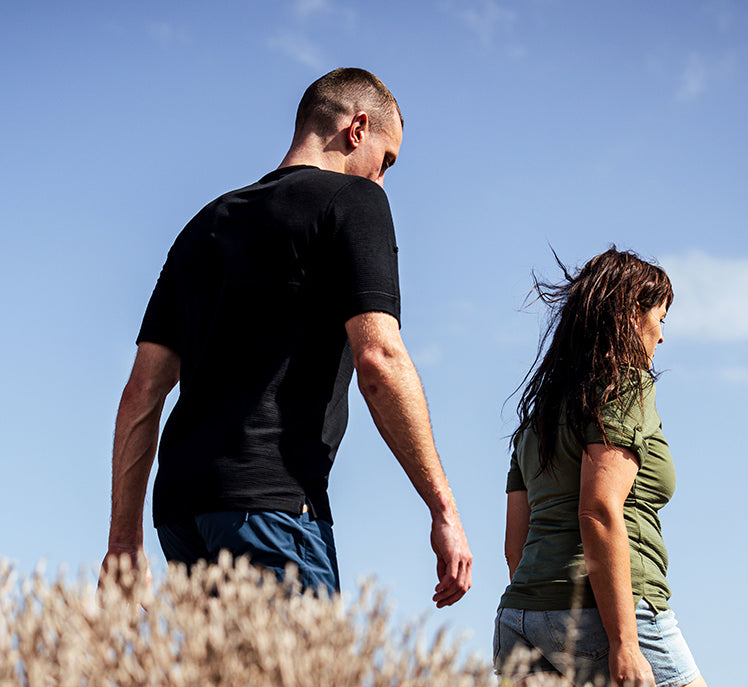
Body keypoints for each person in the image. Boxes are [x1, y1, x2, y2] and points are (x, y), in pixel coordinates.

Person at [102, 68, 472, 607]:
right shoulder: (354, 200)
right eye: (387, 160)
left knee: (222, 668)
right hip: (273, 509)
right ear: (358, 128)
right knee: (303, 667)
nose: (382, 179)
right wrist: (443, 509)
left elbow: (141, 393)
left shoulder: (204, 225)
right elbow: (379, 359)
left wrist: (123, 542)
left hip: (182, 518)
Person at [494, 248, 721, 687]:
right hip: (609, 611)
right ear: (632, 316)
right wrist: (624, 642)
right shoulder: (625, 388)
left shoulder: (535, 421)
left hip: (523, 616)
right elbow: (598, 509)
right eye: (660, 319)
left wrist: (551, 611)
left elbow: (516, 546)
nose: (662, 335)